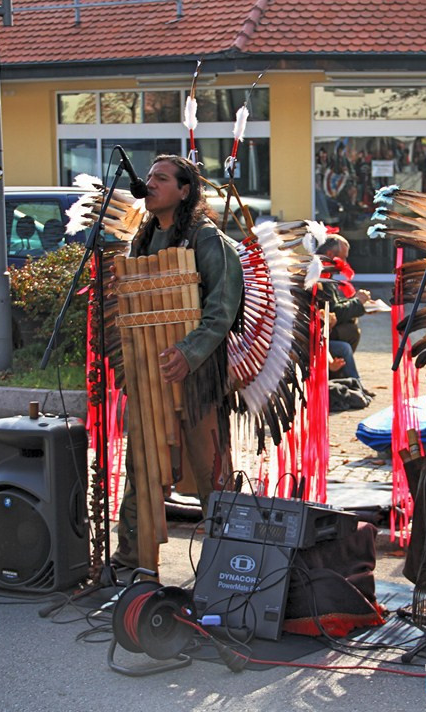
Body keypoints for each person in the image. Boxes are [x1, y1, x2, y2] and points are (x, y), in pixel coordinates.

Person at [112, 154, 244, 571]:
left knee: (212, 473)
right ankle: (133, 558)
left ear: (184, 191)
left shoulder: (207, 240)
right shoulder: (143, 239)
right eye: (149, 176)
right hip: (152, 373)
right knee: (141, 465)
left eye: (162, 178)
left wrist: (188, 354)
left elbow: (223, 308)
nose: (149, 183)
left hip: (197, 374)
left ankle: (229, 566)